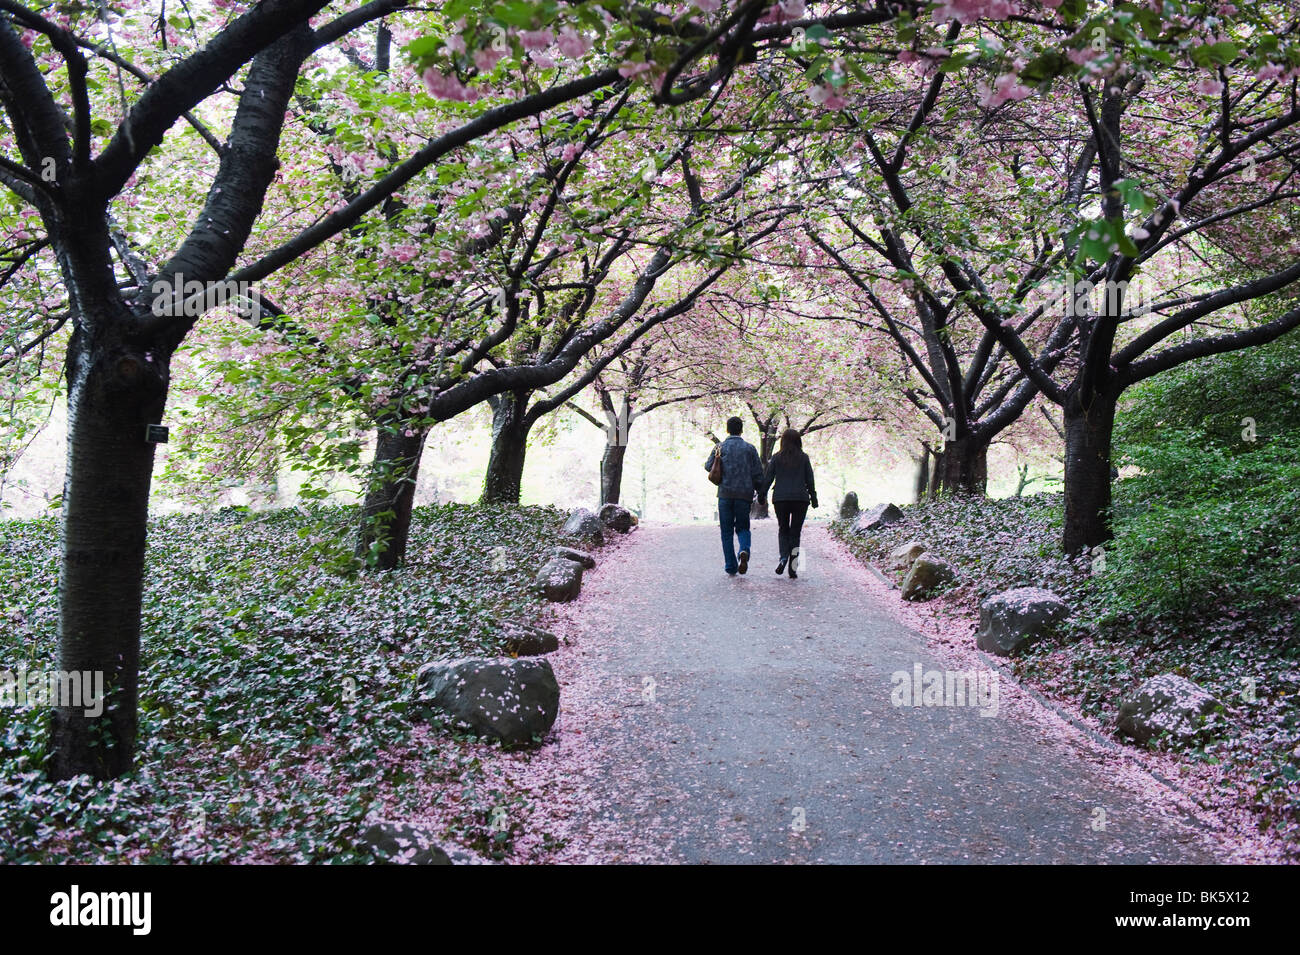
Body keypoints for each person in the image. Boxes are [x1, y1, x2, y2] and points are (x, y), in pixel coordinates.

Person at [704, 416, 764, 576]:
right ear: (741, 429)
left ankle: (731, 566)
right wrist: (760, 492)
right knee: (743, 528)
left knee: (726, 531)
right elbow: (758, 473)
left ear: (727, 429)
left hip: (725, 494)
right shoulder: (750, 449)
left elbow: (708, 466)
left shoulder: (720, 447)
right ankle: (743, 551)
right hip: (744, 495)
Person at [761, 428, 817, 578]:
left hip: (781, 499)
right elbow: (810, 479)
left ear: (783, 441)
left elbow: (768, 479)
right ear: (798, 441)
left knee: (783, 529)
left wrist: (762, 495)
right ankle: (793, 568)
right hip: (800, 499)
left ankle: (783, 557)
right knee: (795, 532)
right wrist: (814, 497)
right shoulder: (804, 458)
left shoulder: (776, 457)